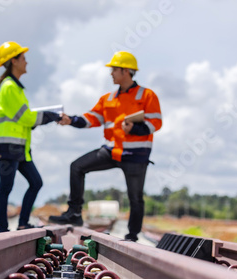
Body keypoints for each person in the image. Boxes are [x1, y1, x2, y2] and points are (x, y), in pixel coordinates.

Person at [49, 51, 162, 242]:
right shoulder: (107, 99)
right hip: (112, 150)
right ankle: (74, 213)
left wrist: (135, 128)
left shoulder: (147, 95)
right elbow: (91, 118)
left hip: (136, 154)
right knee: (77, 167)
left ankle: (132, 236)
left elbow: (156, 123)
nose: (111, 73)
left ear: (125, 71)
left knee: (136, 198)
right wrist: (71, 120)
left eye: (114, 70)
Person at [0, 41, 62, 232]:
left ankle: (21, 223)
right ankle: (3, 229)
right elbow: (26, 117)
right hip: (7, 146)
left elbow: (22, 119)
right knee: (6, 187)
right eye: (23, 58)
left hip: (17, 146)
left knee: (35, 183)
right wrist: (50, 116)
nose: (26, 62)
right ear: (14, 61)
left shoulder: (15, 87)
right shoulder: (10, 87)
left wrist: (43, 119)